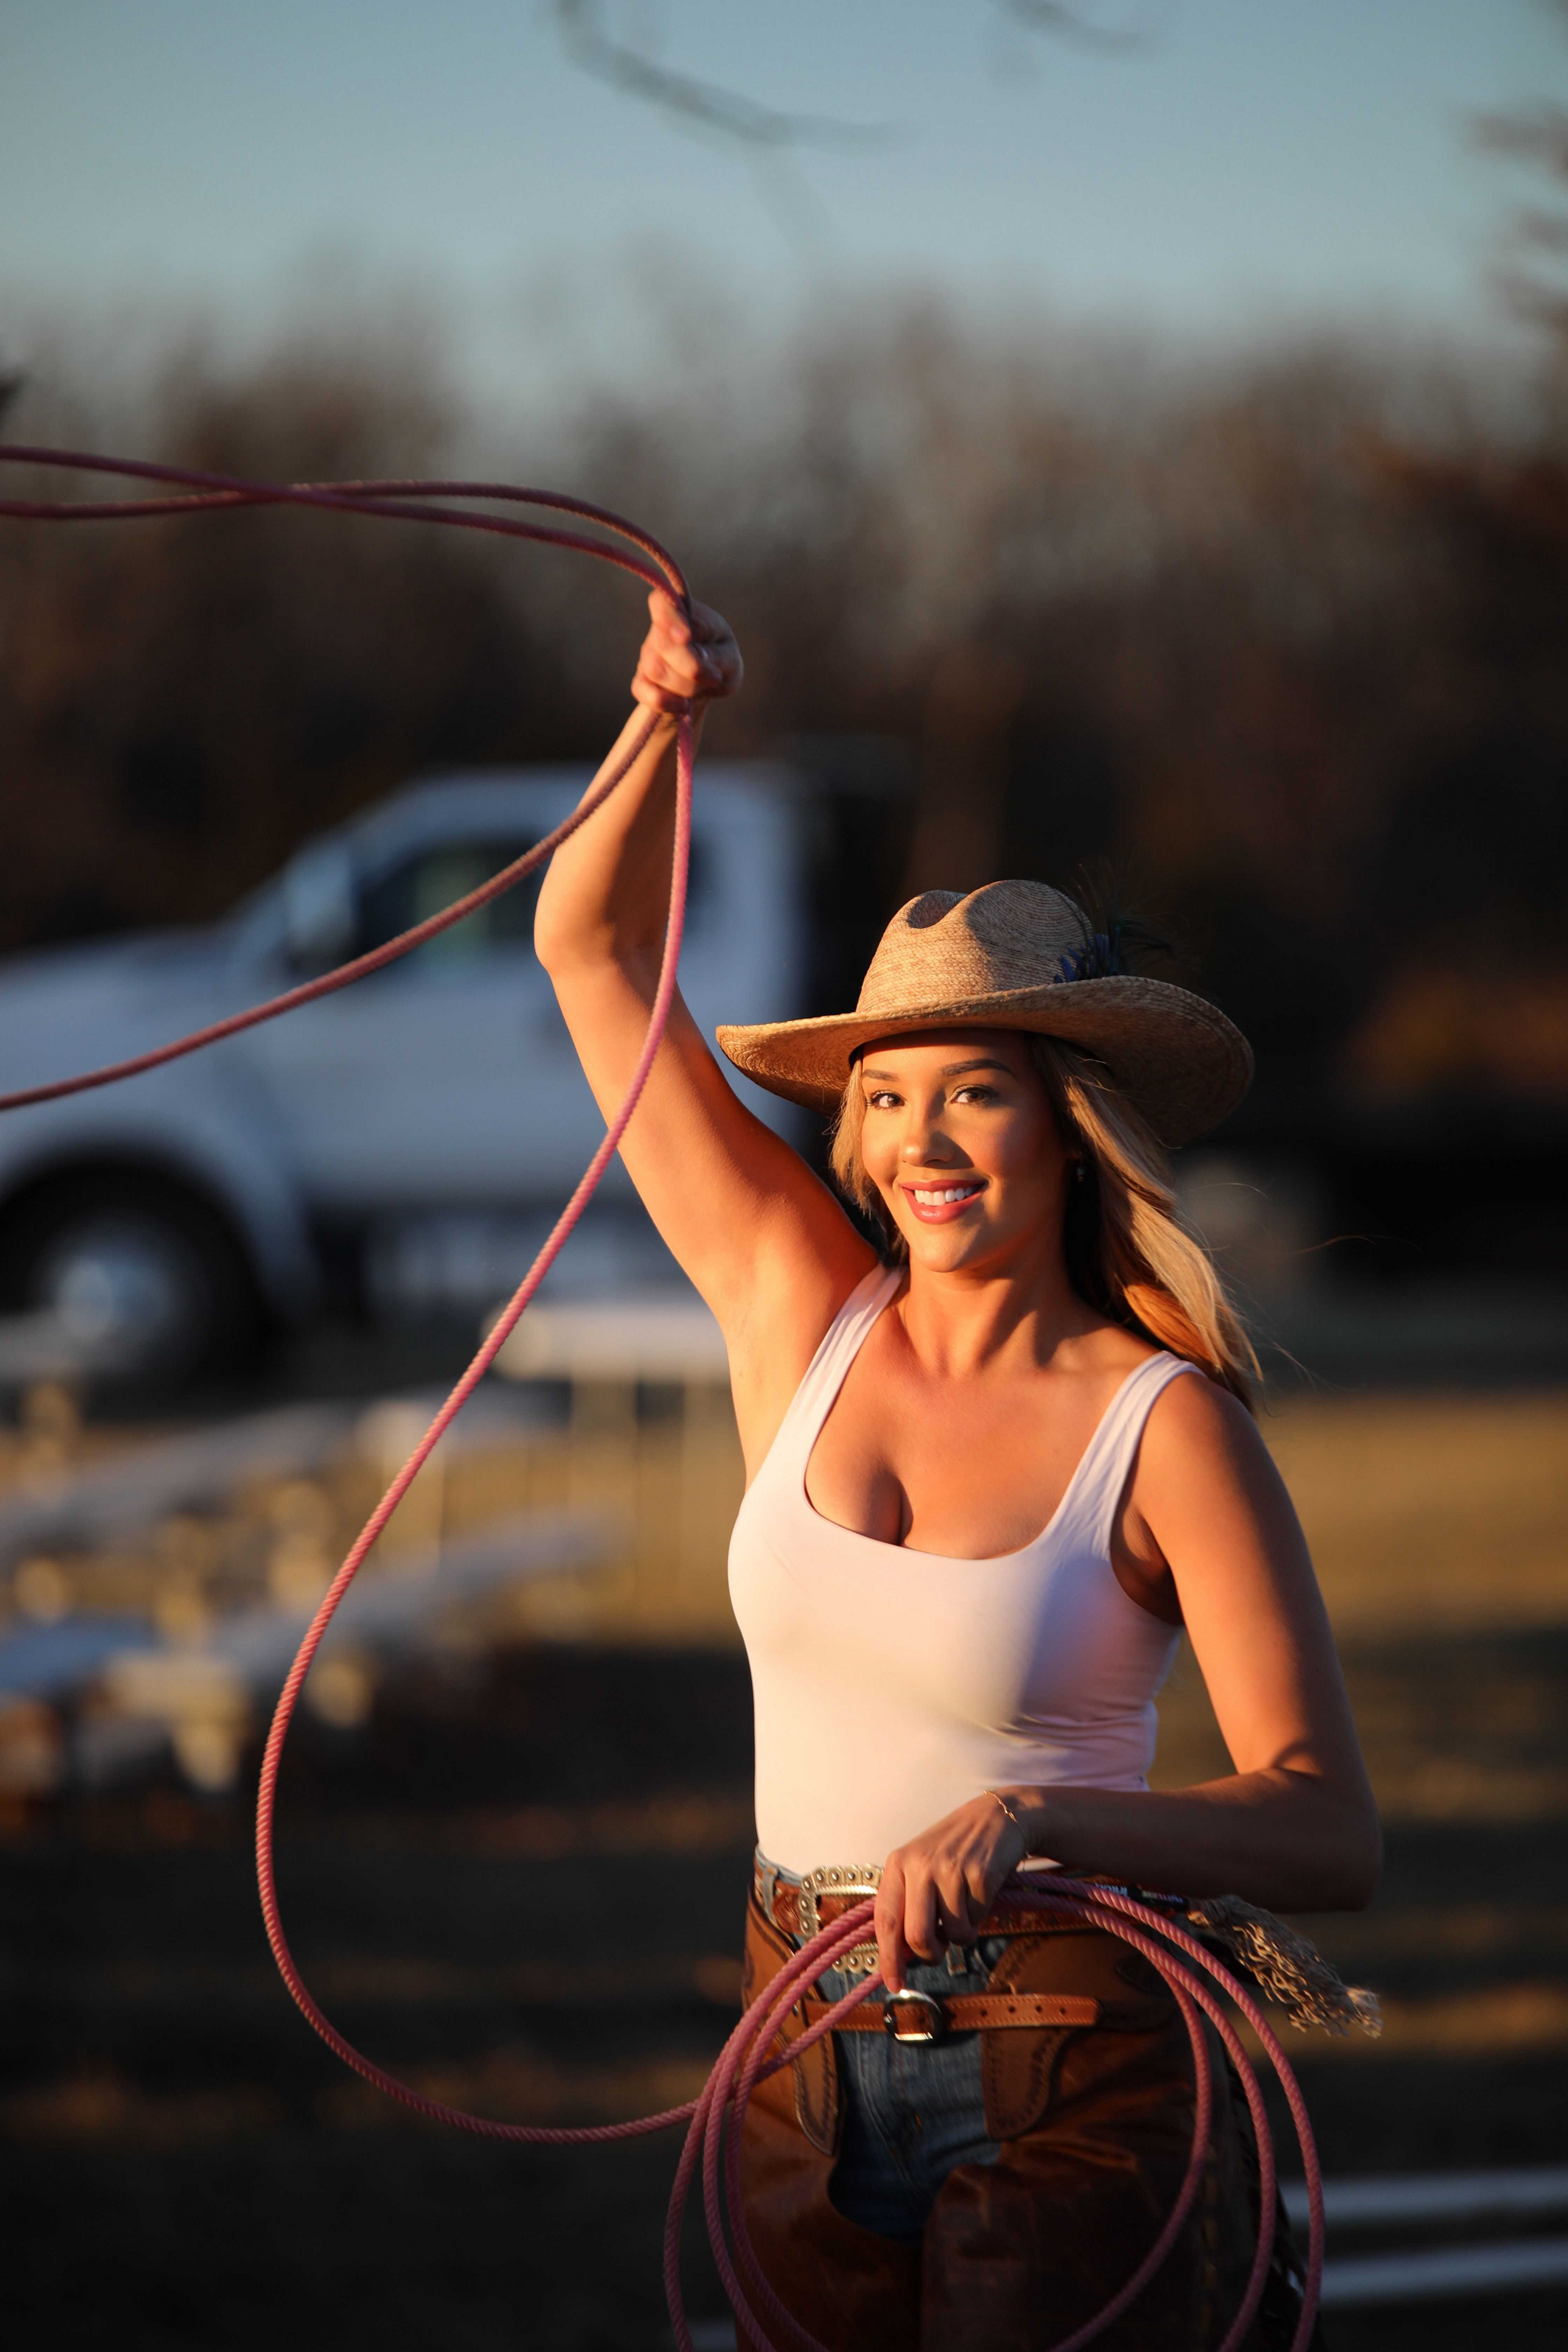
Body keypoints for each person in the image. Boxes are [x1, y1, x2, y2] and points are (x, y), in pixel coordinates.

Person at [533, 591, 1381, 2351]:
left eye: (974, 1091)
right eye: (887, 1094)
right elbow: (588, 951)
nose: (922, 1139)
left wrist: (1037, 1816)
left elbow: (1323, 1825)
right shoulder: (797, 1307)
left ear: (1065, 1124)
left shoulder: (1165, 1424)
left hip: (1068, 2053)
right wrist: (659, 723)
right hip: (796, 2038)